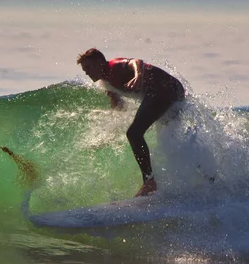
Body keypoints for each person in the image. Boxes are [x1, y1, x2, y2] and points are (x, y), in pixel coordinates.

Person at [77, 48, 185, 197]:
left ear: (99, 62)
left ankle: (149, 182)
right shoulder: (106, 81)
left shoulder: (115, 66)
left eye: (88, 68)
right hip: (169, 92)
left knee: (134, 133)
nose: (87, 73)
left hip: (166, 89)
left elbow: (136, 62)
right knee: (172, 141)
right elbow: (119, 104)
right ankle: (207, 177)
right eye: (84, 70)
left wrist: (138, 76)